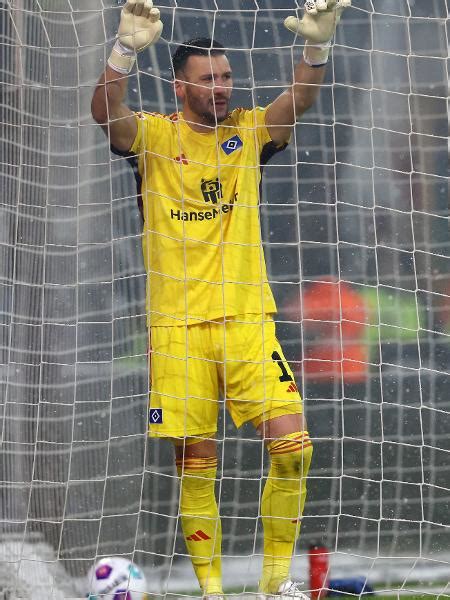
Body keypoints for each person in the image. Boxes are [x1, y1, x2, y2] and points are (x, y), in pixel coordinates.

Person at [91, 1, 350, 597]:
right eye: (209, 79)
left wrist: (316, 50)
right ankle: (211, 593)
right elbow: (106, 114)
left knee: (294, 450)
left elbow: (300, 102)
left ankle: (274, 586)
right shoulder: (155, 137)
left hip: (247, 321)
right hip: (178, 330)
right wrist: (124, 51)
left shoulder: (251, 130)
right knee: (195, 464)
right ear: (181, 85)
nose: (223, 87)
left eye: (227, 77)